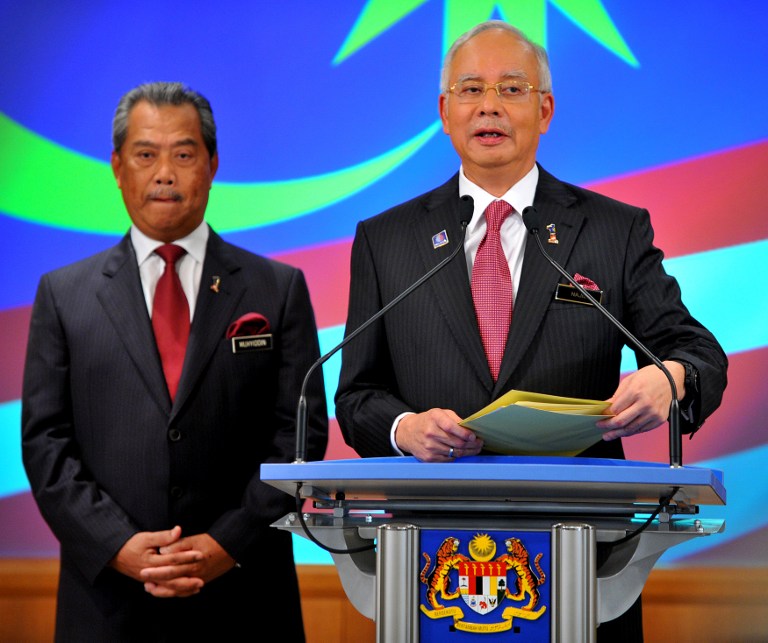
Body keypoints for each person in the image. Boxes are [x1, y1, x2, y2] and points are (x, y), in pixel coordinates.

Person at [334, 20, 727, 641]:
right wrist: (404, 428)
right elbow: (356, 396)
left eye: (511, 89)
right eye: (470, 89)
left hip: (587, 546)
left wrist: (671, 378)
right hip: (430, 546)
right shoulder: (387, 240)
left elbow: (697, 351)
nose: (488, 105)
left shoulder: (612, 230)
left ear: (544, 110)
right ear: (445, 111)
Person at [21, 82, 328, 642]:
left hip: (245, 596)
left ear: (212, 165)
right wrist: (117, 545)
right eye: (146, 154)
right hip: (108, 604)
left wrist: (227, 543)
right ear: (118, 168)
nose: (164, 173)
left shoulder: (277, 289)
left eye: (184, 154)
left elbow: (299, 438)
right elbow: (46, 444)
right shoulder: (64, 296)